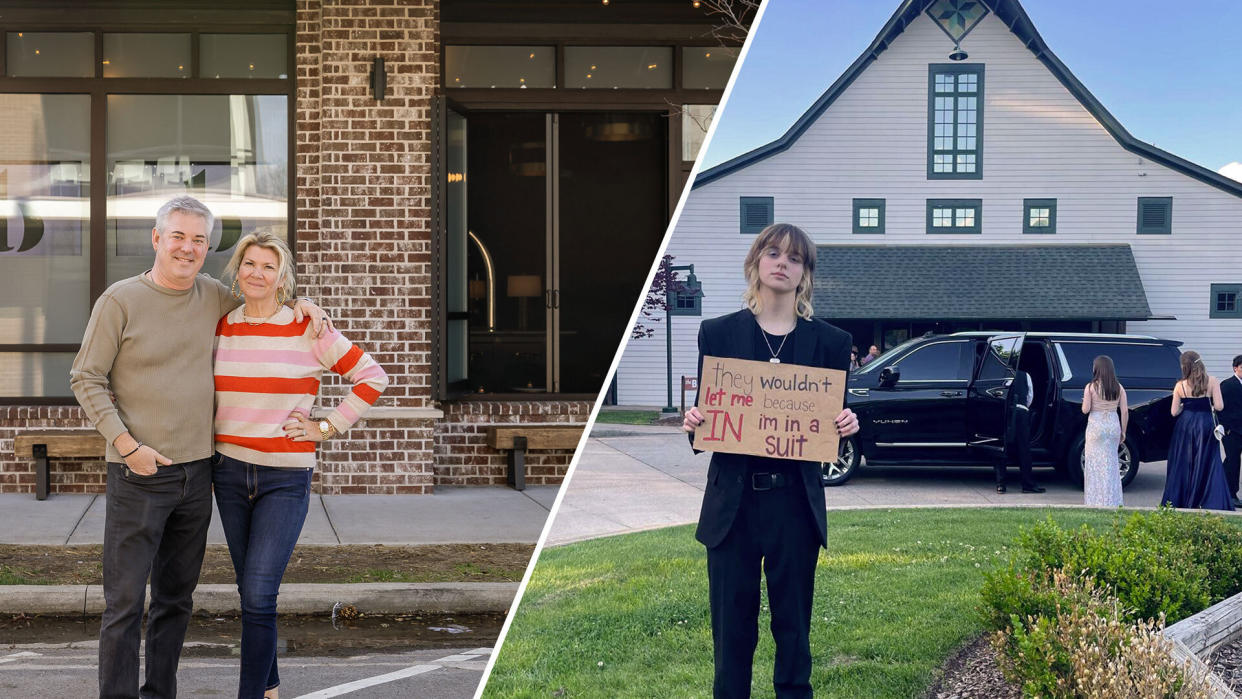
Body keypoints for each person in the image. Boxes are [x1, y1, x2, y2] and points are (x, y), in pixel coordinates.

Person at [69, 196, 328, 699]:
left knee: (174, 601)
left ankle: (159, 693)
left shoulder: (213, 295)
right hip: (138, 472)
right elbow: (86, 377)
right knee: (123, 604)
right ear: (157, 239)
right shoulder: (119, 301)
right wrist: (126, 446)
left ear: (208, 247)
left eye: (198, 240)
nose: (187, 248)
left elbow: (264, 296)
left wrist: (303, 305)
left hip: (198, 475)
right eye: (178, 237)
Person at [682, 223, 859, 698]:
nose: (783, 262)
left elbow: (828, 421)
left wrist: (846, 425)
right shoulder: (718, 333)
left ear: (805, 275)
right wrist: (695, 421)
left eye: (795, 258)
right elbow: (710, 422)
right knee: (732, 636)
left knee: (794, 632)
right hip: (732, 509)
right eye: (774, 252)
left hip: (794, 506)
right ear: (757, 262)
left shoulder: (830, 344)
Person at [213, 231, 388, 699]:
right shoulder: (222, 327)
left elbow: (372, 376)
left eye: (269, 267)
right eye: (250, 263)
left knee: (258, 593)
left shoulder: (310, 330)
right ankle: (268, 686)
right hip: (228, 473)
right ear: (237, 270)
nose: (257, 273)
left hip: (284, 478)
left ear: (282, 276)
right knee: (250, 592)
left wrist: (325, 427)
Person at [1161, 350, 1233, 510]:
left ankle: (1183, 499)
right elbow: (1220, 407)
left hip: (1185, 425)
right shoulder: (1212, 381)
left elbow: (1173, 412)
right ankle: (1208, 500)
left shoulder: (1180, 385)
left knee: (1185, 462)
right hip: (1206, 425)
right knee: (1208, 461)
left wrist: (1182, 407)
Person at [1081, 355, 1127, 507]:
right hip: (1113, 424)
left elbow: (1085, 409)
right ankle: (1112, 500)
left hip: (1096, 426)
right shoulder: (1118, 387)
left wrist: (1084, 401)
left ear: (1097, 369)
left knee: (1094, 463)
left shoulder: (1090, 387)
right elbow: (1125, 412)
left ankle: (1095, 500)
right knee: (1111, 463)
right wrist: (1123, 432)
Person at [995, 368, 1044, 494]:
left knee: (1002, 447)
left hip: (1004, 412)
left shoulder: (999, 373)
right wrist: (1023, 407)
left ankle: (1001, 484)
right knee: (1024, 449)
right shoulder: (1025, 375)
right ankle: (1027, 484)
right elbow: (1030, 396)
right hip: (1021, 411)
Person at [1219, 355, 1242, 508]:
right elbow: (1219, 408)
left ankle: (1223, 487)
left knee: (1230, 463)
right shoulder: (1226, 385)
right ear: (1236, 368)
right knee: (1233, 461)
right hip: (1232, 431)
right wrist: (1225, 428)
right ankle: (1231, 494)